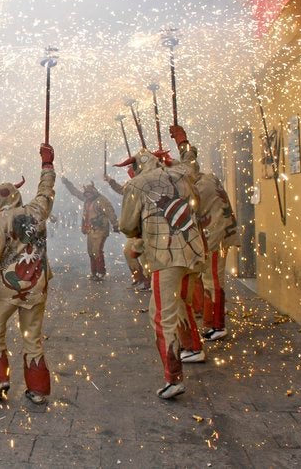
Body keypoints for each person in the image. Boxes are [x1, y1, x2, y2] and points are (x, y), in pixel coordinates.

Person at [118, 125, 205, 399]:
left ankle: (173, 377)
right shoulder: (180, 172)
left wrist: (140, 232)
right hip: (194, 253)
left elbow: (127, 225)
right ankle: (194, 347)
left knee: (161, 317)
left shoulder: (135, 185)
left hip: (165, 256)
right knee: (181, 305)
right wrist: (183, 141)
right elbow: (193, 162)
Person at [0, 144, 55, 405]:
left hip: (6, 288)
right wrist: (47, 165)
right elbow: (46, 190)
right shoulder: (38, 210)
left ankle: (2, 380)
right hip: (36, 286)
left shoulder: (0, 221)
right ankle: (38, 390)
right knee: (32, 338)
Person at [195, 171, 239, 341]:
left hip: (215, 237)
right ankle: (210, 322)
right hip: (215, 236)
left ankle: (217, 325)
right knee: (210, 280)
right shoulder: (207, 178)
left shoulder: (200, 185)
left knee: (213, 281)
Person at [61, 178, 118, 281]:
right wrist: (67, 183)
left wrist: (115, 224)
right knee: (91, 252)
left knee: (97, 251)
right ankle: (94, 272)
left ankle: (101, 272)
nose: (87, 195)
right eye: (86, 194)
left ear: (94, 191)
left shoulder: (102, 200)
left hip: (100, 229)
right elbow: (75, 192)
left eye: (89, 193)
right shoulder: (87, 199)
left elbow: (110, 212)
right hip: (90, 230)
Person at [105, 173, 150, 292]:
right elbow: (122, 190)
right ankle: (138, 278)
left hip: (149, 227)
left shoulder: (152, 185)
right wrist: (110, 181)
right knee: (129, 252)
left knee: (146, 257)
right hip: (137, 227)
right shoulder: (133, 186)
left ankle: (149, 282)